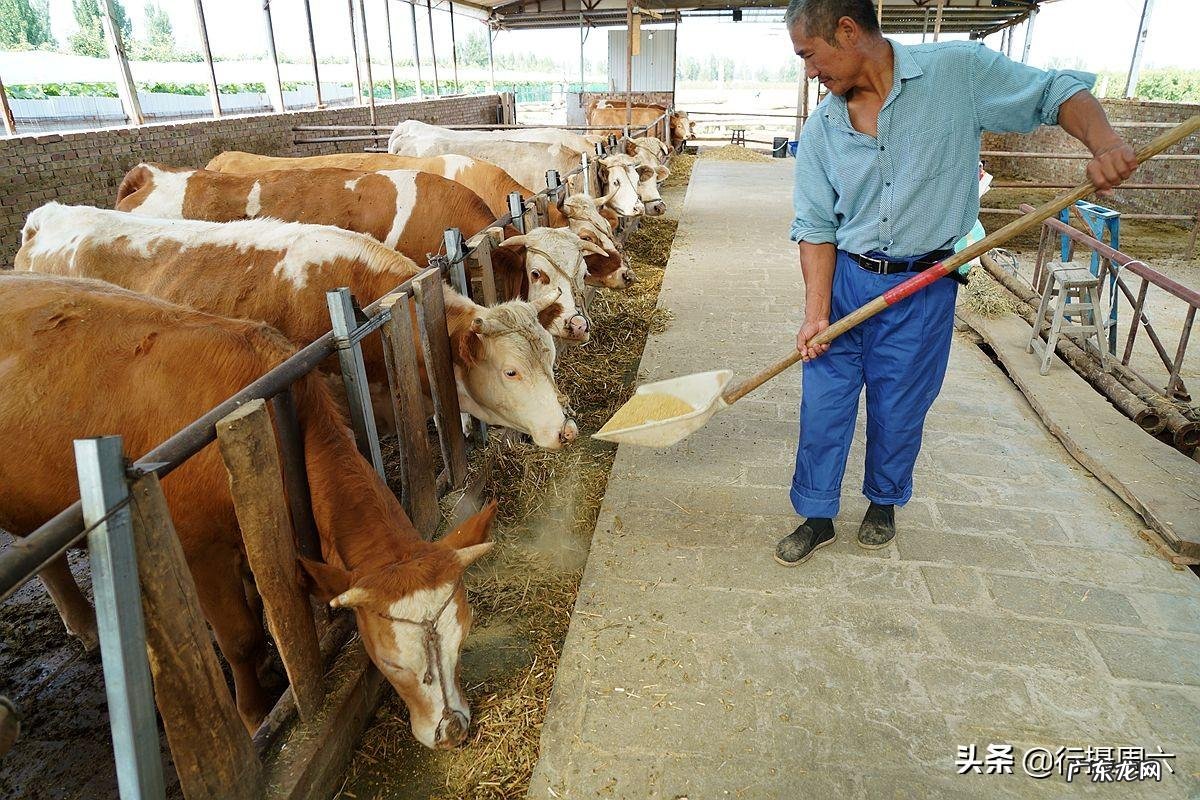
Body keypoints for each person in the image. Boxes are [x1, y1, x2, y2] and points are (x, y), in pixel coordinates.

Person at [776, 0, 1137, 567]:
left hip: (925, 283)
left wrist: (1105, 143)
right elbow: (817, 227)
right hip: (847, 279)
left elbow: (1055, 91)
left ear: (847, 32)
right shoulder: (823, 129)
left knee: (900, 405)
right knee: (823, 401)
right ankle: (817, 513)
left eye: (809, 54)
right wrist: (816, 313)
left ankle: (883, 502)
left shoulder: (958, 72)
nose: (808, 70)